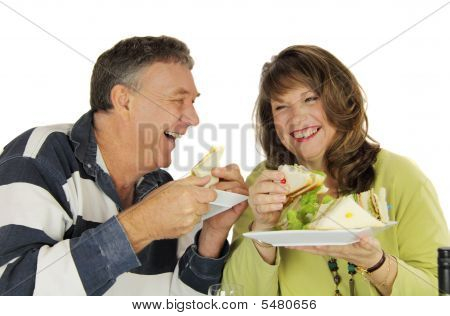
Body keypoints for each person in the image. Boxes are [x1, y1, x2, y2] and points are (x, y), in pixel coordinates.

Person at [0, 36, 248, 295]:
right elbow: (11, 290)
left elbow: (182, 303)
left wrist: (212, 233)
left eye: (193, 102)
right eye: (178, 100)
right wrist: (141, 225)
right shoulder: (41, 156)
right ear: (124, 99)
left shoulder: (163, 187)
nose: (193, 119)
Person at [223, 45, 449, 295]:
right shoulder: (264, 183)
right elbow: (239, 297)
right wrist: (263, 229)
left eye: (310, 98)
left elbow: (440, 293)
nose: (296, 118)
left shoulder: (401, 176)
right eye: (281, 107)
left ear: (340, 100)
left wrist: (375, 262)